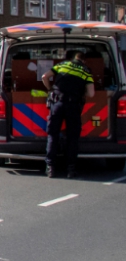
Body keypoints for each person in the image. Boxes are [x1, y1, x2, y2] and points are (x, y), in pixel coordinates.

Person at [42, 50, 95, 178]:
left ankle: (50, 168)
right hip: (73, 106)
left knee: (53, 135)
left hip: (57, 104)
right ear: (83, 61)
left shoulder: (62, 65)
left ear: (73, 58)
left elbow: (44, 76)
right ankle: (70, 169)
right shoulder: (86, 72)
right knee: (72, 138)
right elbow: (91, 93)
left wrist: (50, 89)